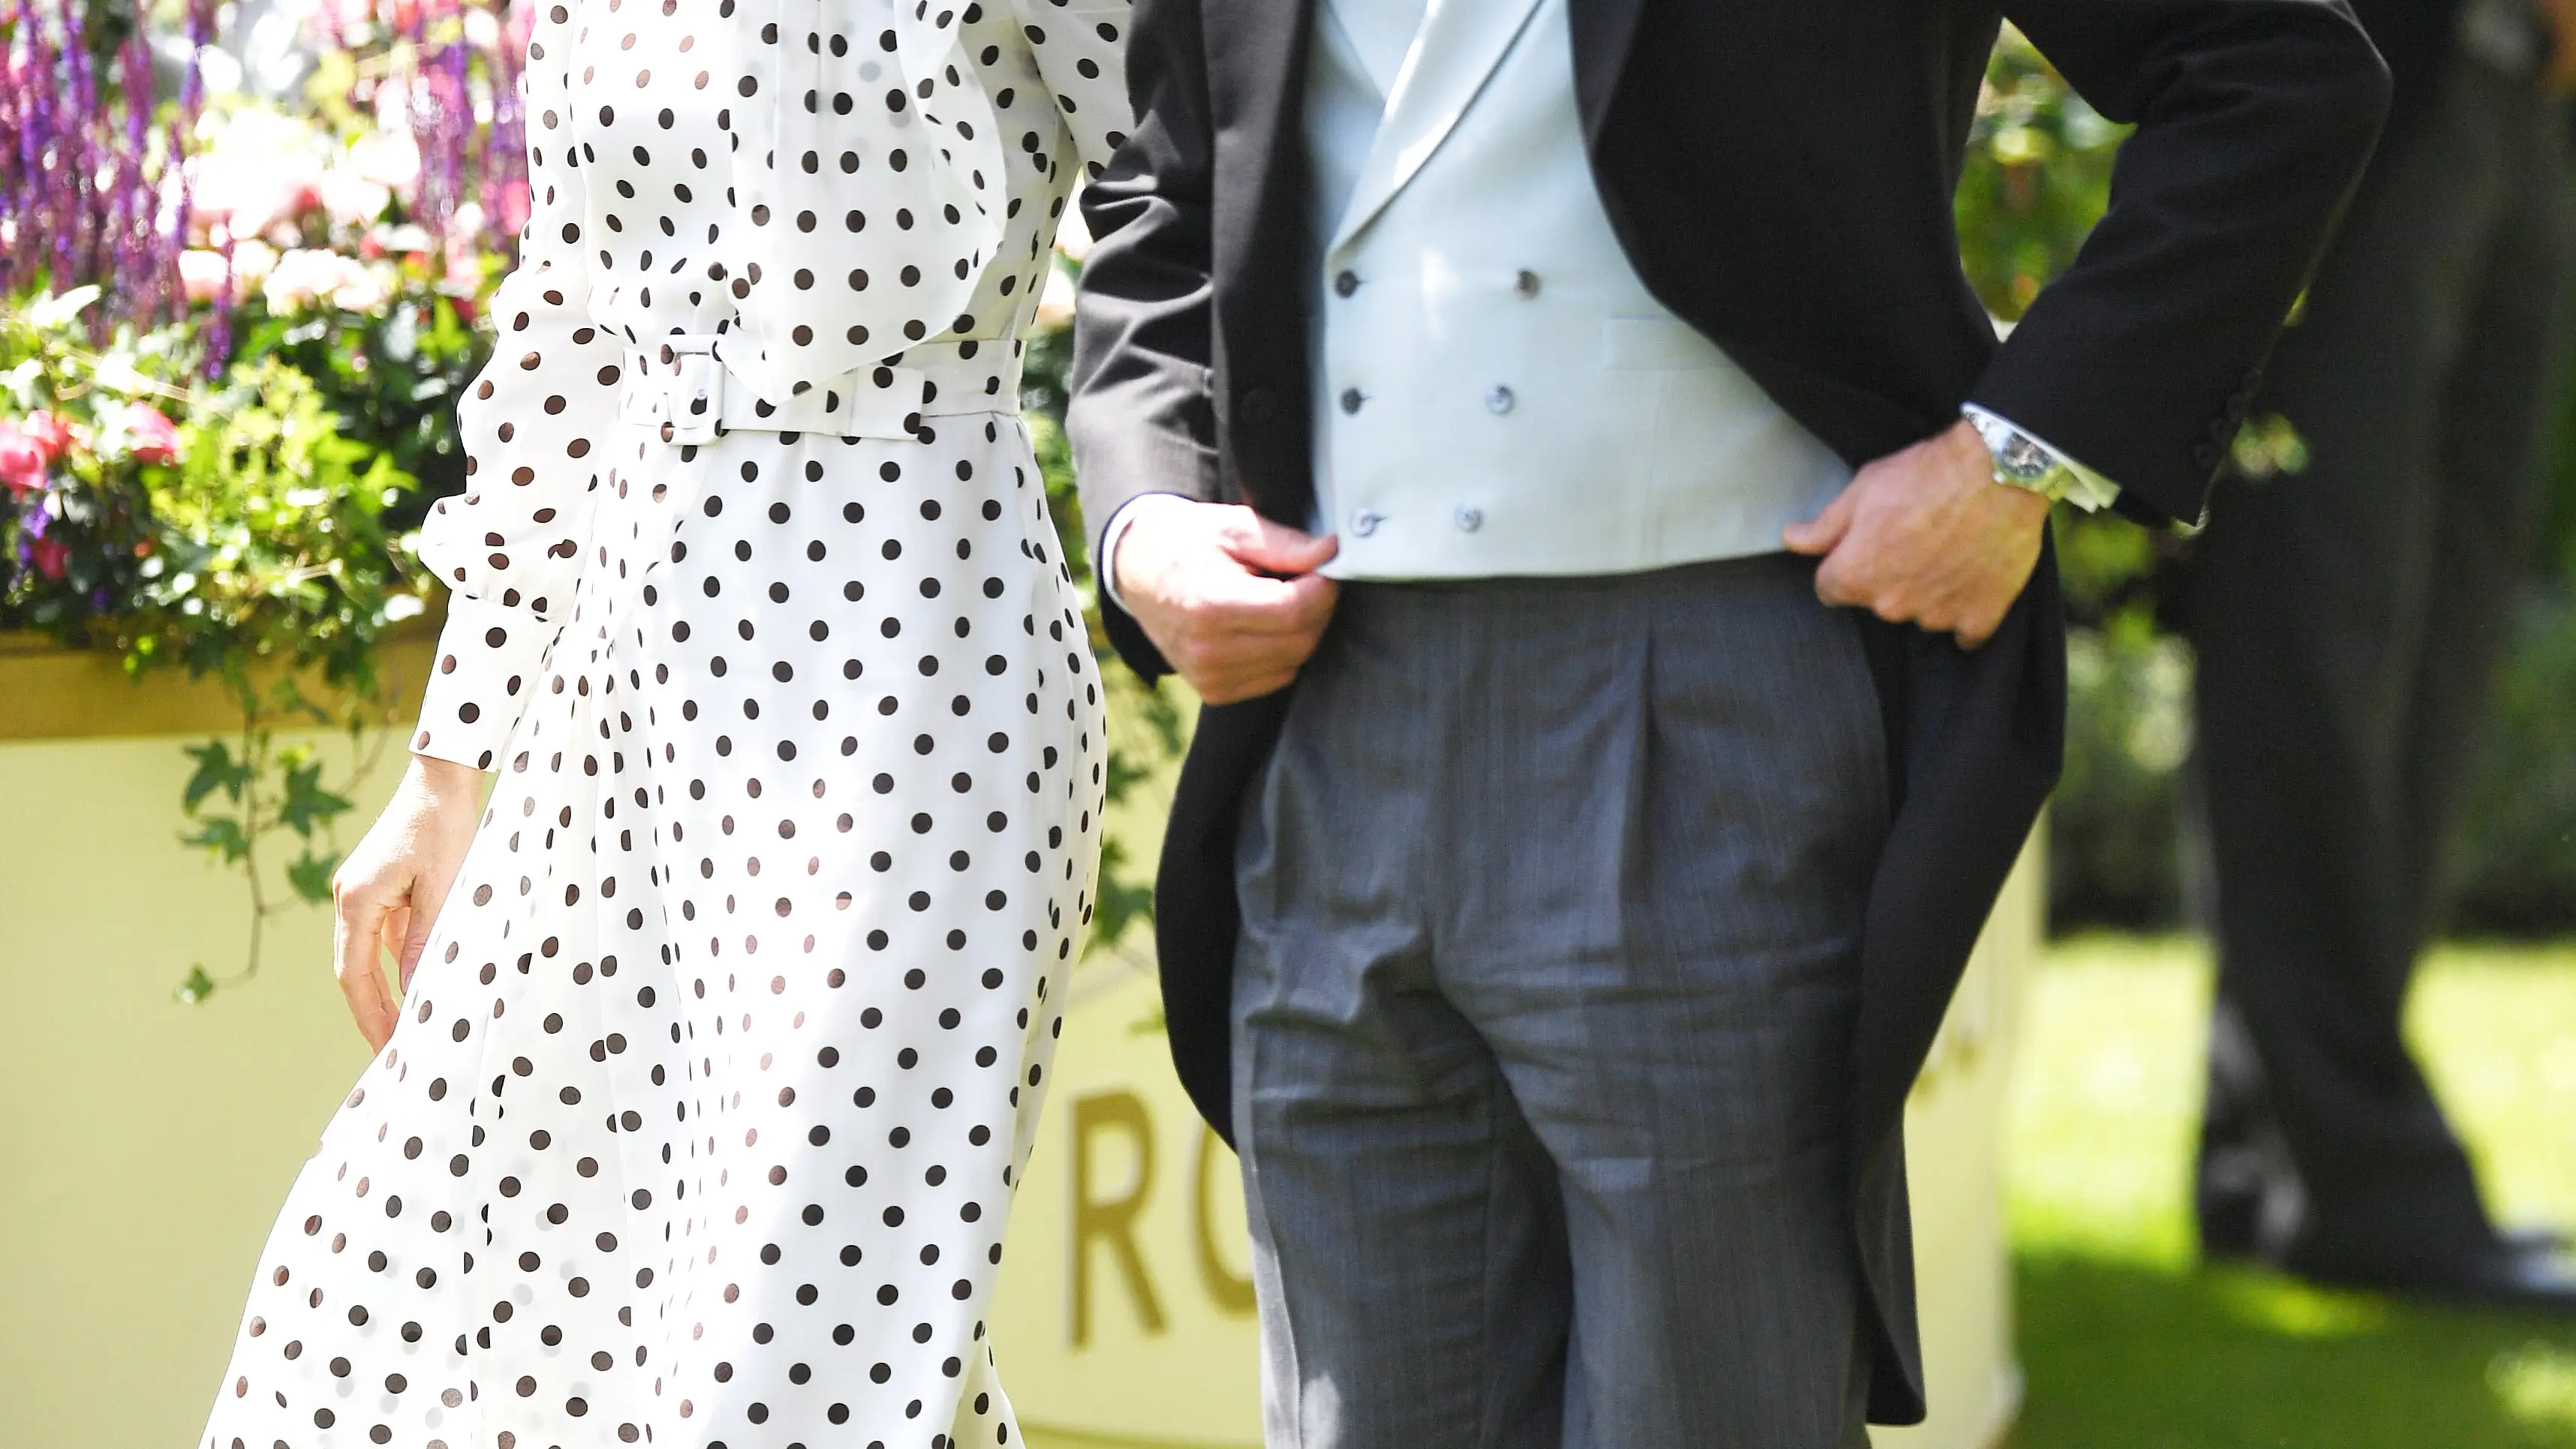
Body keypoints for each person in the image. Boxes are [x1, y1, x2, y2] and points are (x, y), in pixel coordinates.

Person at [1067, 0, 2389, 1441]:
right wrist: (1145, 512)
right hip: (1322, 722)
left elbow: (2274, 70)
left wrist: (2019, 457)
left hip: (1710, 706)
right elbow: (1170, 184)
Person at [197, 2, 1128, 1444]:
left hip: (907, 677)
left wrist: (1181, 516)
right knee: (396, 1321)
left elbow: (1198, 181)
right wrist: (448, 769)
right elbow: (567, 331)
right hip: (621, 698)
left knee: (805, 1353)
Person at [2183, 0, 2576, 1309]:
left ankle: (2278, 1156)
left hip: (2520, 87)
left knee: (2431, 659)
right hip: (2359, 69)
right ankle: (2363, 1176)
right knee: (2312, 628)